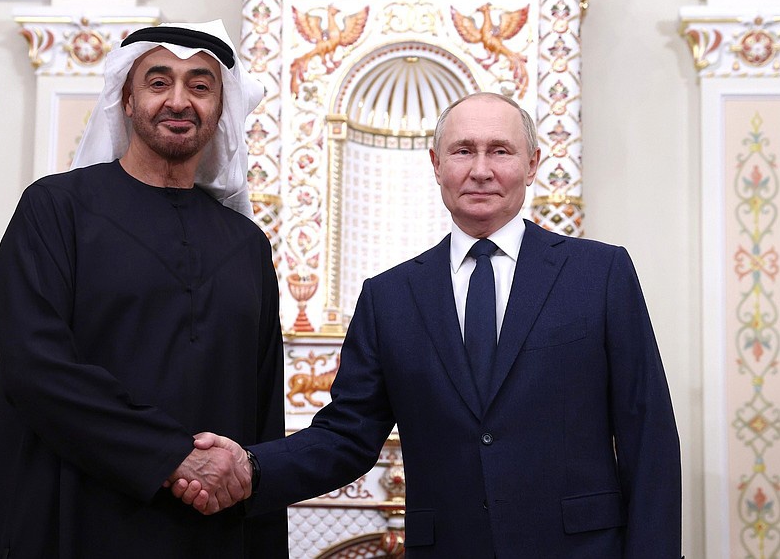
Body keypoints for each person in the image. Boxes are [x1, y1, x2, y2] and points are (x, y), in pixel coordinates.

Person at [182, 92, 683, 557]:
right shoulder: (389, 298)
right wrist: (251, 466)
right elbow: (347, 437)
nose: (481, 170)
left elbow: (648, 436)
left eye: (500, 151)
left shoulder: (600, 273)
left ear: (532, 164)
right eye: (463, 151)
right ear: (436, 164)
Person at [0, 21, 287, 558]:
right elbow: (37, 366)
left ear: (220, 109)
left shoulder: (247, 245)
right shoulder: (56, 210)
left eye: (200, 86)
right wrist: (172, 456)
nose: (179, 101)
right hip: (71, 518)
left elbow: (263, 409)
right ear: (128, 100)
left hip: (209, 529)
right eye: (158, 83)